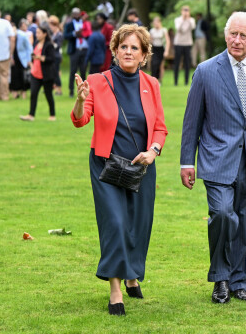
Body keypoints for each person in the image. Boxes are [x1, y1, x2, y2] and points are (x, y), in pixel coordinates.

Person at [71, 24, 168, 316]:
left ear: (144, 55)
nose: (128, 52)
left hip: (141, 166)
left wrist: (153, 152)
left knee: (138, 226)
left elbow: (160, 128)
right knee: (115, 223)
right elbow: (80, 120)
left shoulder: (152, 84)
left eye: (134, 48)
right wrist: (78, 100)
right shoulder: (97, 82)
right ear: (114, 51)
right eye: (123, 47)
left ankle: (131, 275)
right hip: (106, 166)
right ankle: (115, 290)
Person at [180, 11, 246, 304]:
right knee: (222, 214)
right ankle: (220, 277)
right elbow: (191, 121)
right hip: (217, 159)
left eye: (243, 35)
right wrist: (187, 161)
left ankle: (240, 282)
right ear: (225, 35)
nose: (237, 40)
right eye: (233, 34)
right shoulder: (206, 71)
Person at [20, 22, 57, 121]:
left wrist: (42, 58)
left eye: (39, 33)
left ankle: (52, 115)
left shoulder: (49, 45)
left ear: (45, 34)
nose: (37, 35)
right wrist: (32, 61)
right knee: (33, 94)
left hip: (46, 74)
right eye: (36, 33)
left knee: (48, 95)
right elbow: (33, 55)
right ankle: (31, 115)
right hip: (35, 73)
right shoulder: (36, 43)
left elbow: (52, 58)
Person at [64, 7, 89, 97]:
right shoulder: (69, 24)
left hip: (84, 49)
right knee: (73, 71)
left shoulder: (84, 23)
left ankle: (84, 90)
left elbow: (89, 32)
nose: (76, 15)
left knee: (83, 71)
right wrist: (74, 33)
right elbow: (65, 35)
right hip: (75, 50)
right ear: (72, 15)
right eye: (74, 14)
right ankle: (71, 91)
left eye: (77, 13)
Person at [173, 5, 195, 86]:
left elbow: (192, 27)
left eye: (187, 10)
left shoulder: (191, 20)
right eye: (184, 10)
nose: (185, 12)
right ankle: (175, 81)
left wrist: (188, 19)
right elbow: (178, 29)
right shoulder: (178, 19)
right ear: (181, 11)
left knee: (187, 63)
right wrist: (183, 19)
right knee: (177, 62)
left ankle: (186, 81)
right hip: (178, 43)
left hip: (187, 43)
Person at [11, 19, 33, 99]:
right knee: (14, 76)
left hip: (22, 59)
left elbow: (29, 48)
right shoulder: (10, 37)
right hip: (14, 59)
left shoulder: (22, 36)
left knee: (23, 76)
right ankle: (15, 94)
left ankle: (23, 93)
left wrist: (28, 60)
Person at [149, 16, 170, 81]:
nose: (156, 24)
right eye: (154, 23)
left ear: (159, 22)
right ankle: (153, 79)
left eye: (157, 23)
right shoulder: (152, 31)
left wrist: (166, 51)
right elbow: (150, 41)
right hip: (155, 48)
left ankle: (160, 80)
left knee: (161, 65)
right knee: (154, 64)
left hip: (161, 48)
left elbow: (167, 41)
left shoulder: (164, 30)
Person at [48, 15, 64, 95]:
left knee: (56, 73)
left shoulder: (59, 34)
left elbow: (58, 46)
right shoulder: (54, 34)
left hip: (56, 56)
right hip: (53, 56)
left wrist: (51, 43)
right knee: (54, 73)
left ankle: (59, 90)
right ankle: (56, 88)